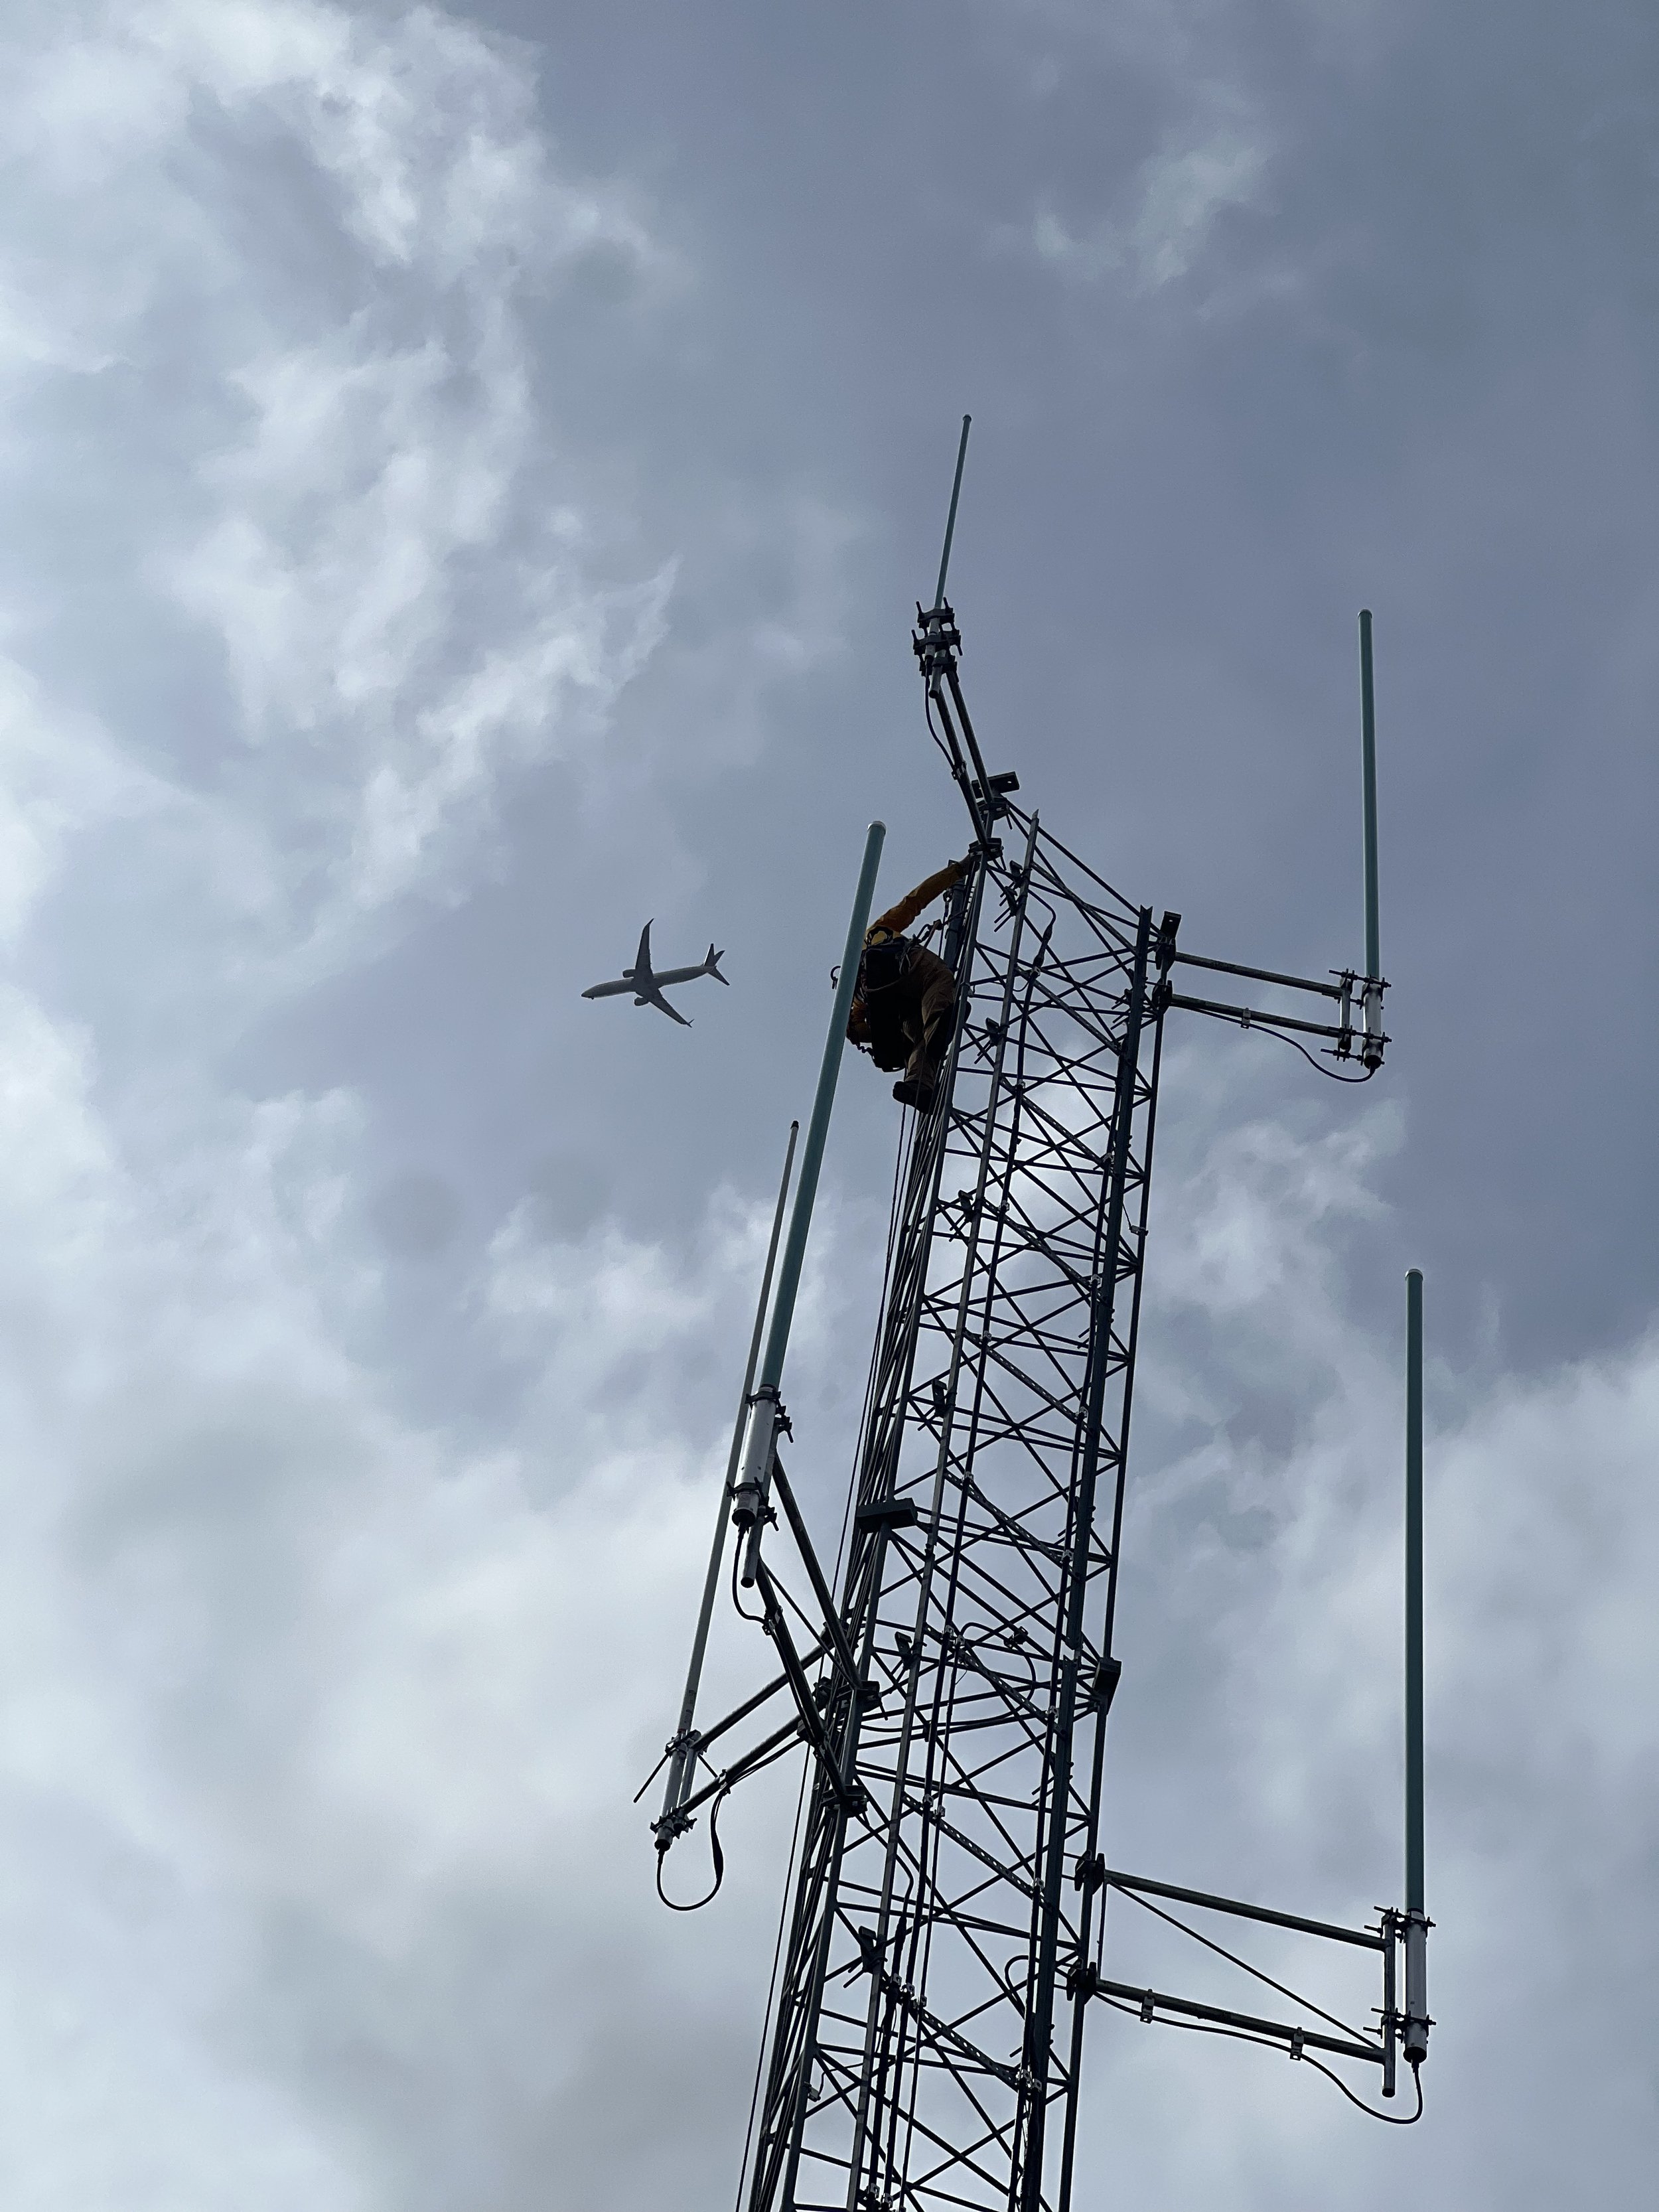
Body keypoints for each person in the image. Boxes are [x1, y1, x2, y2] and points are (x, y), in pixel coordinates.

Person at [847, 856, 971, 1110]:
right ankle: (937, 1027)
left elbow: (858, 1027)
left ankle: (919, 1087)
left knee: (919, 1040)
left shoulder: (855, 993)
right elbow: (915, 901)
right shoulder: (875, 933)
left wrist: (856, 1032)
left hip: (892, 1002)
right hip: (903, 966)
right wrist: (958, 871)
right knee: (938, 978)